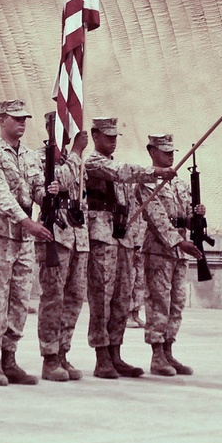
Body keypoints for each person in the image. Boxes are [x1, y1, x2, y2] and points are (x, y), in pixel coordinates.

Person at [85, 117, 175, 379]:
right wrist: (155, 172)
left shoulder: (114, 164)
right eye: (107, 135)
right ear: (95, 136)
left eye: (115, 136)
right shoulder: (94, 163)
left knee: (122, 298)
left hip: (122, 238)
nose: (112, 140)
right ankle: (101, 355)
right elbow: (120, 173)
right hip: (102, 238)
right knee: (101, 298)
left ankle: (116, 353)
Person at [0, 99, 58, 387]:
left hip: (23, 239)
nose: (22, 123)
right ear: (2, 119)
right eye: (16, 118)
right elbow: (1, 196)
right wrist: (29, 222)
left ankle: (10, 359)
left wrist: (48, 195)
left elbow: (34, 190)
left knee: (20, 300)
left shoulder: (30, 156)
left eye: (25, 119)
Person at [135, 133, 205, 376]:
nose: (170, 155)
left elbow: (183, 215)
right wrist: (178, 242)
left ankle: (168, 350)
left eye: (172, 151)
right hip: (159, 250)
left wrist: (196, 214)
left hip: (179, 252)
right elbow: (157, 219)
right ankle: (156, 355)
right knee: (158, 302)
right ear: (152, 151)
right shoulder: (148, 184)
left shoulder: (179, 183)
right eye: (165, 151)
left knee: (176, 303)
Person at [30, 111, 89, 382]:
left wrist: (75, 155)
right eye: (62, 128)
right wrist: (77, 151)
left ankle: (64, 351)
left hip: (78, 235)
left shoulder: (73, 160)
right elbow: (58, 184)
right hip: (55, 234)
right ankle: (49, 357)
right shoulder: (40, 159)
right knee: (54, 298)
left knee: (75, 298)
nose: (67, 133)